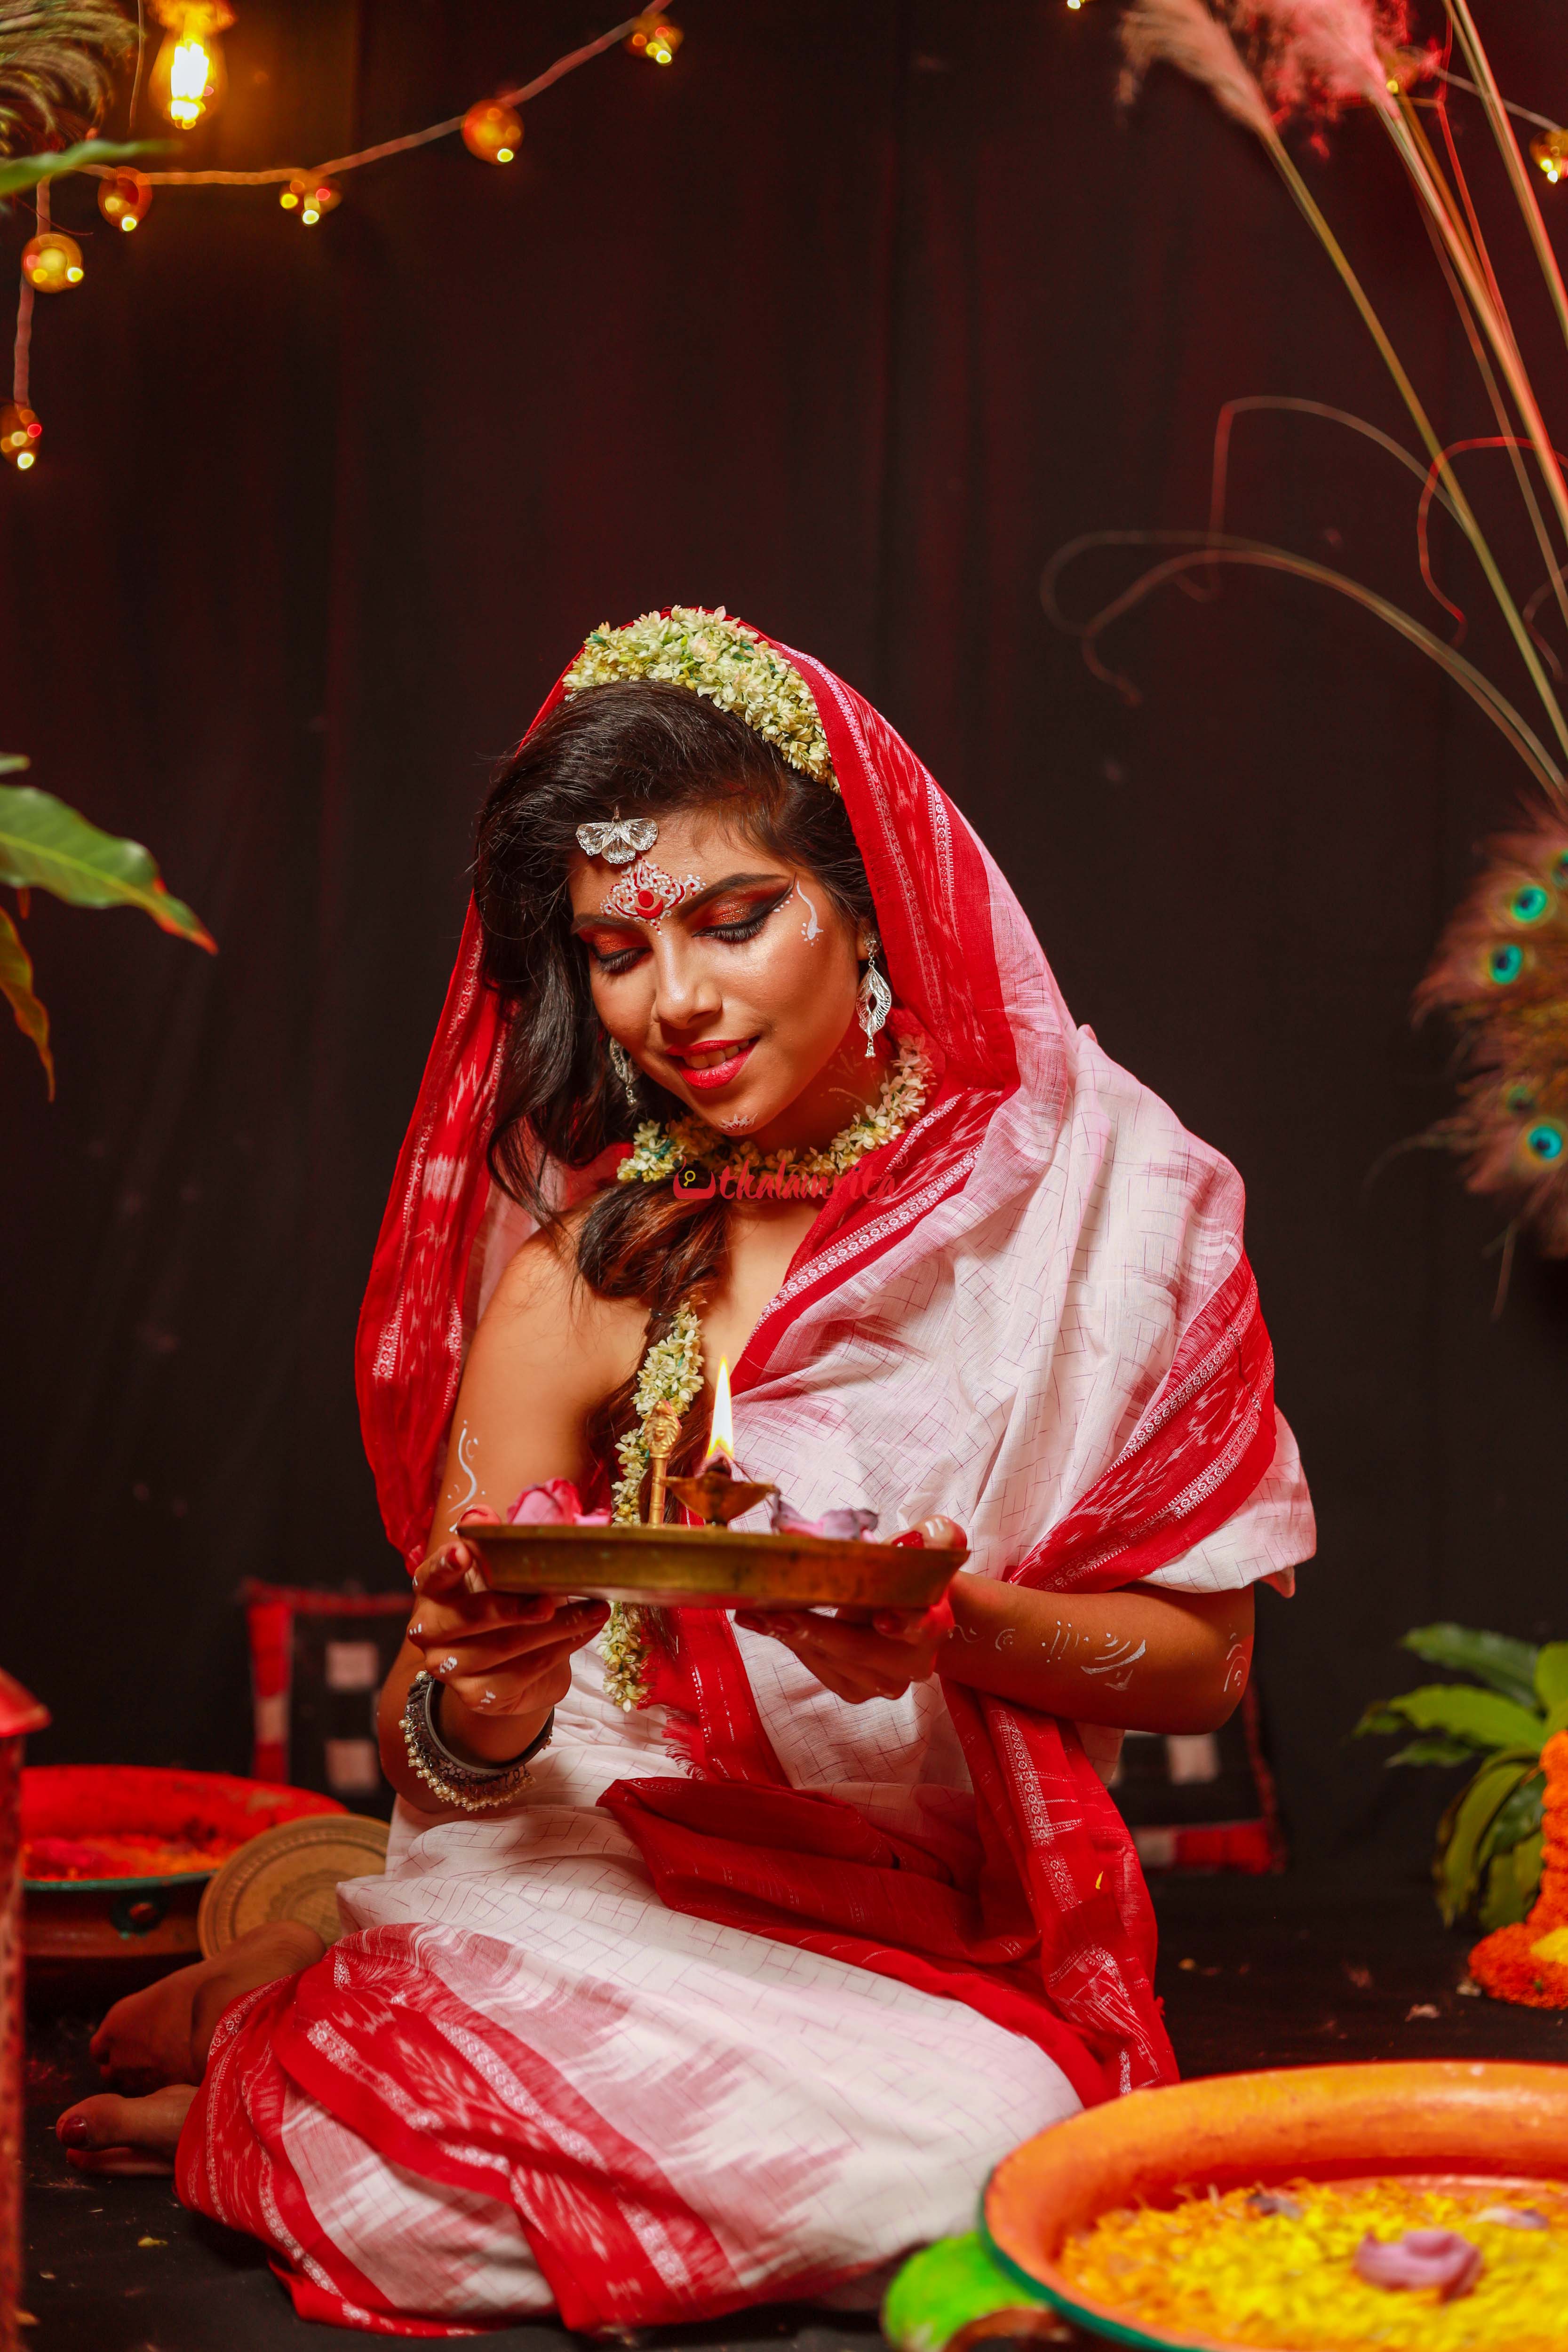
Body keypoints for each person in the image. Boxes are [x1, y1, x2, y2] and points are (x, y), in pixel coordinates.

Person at [58, 609, 1313, 2334]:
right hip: (596, 1873)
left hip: (923, 1910)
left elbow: (1204, 1665)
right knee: (454, 2184)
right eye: (615, 950)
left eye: (735, 920)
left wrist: (953, 1630)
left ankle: (307, 2040)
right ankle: (324, 2032)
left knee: (988, 2142)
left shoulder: (1118, 1212)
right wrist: (490, 1693)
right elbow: (439, 1749)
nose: (679, 1002)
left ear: (871, 908)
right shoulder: (581, 1283)